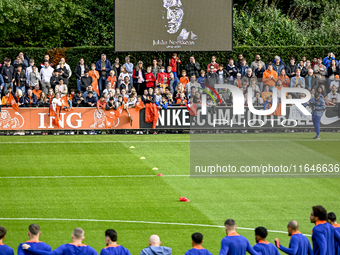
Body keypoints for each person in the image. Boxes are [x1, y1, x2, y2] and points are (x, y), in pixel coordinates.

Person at [22, 228, 98, 255]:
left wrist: (30, 249)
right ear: (83, 238)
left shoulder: (65, 247)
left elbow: (49, 254)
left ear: (72, 236)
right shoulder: (90, 250)